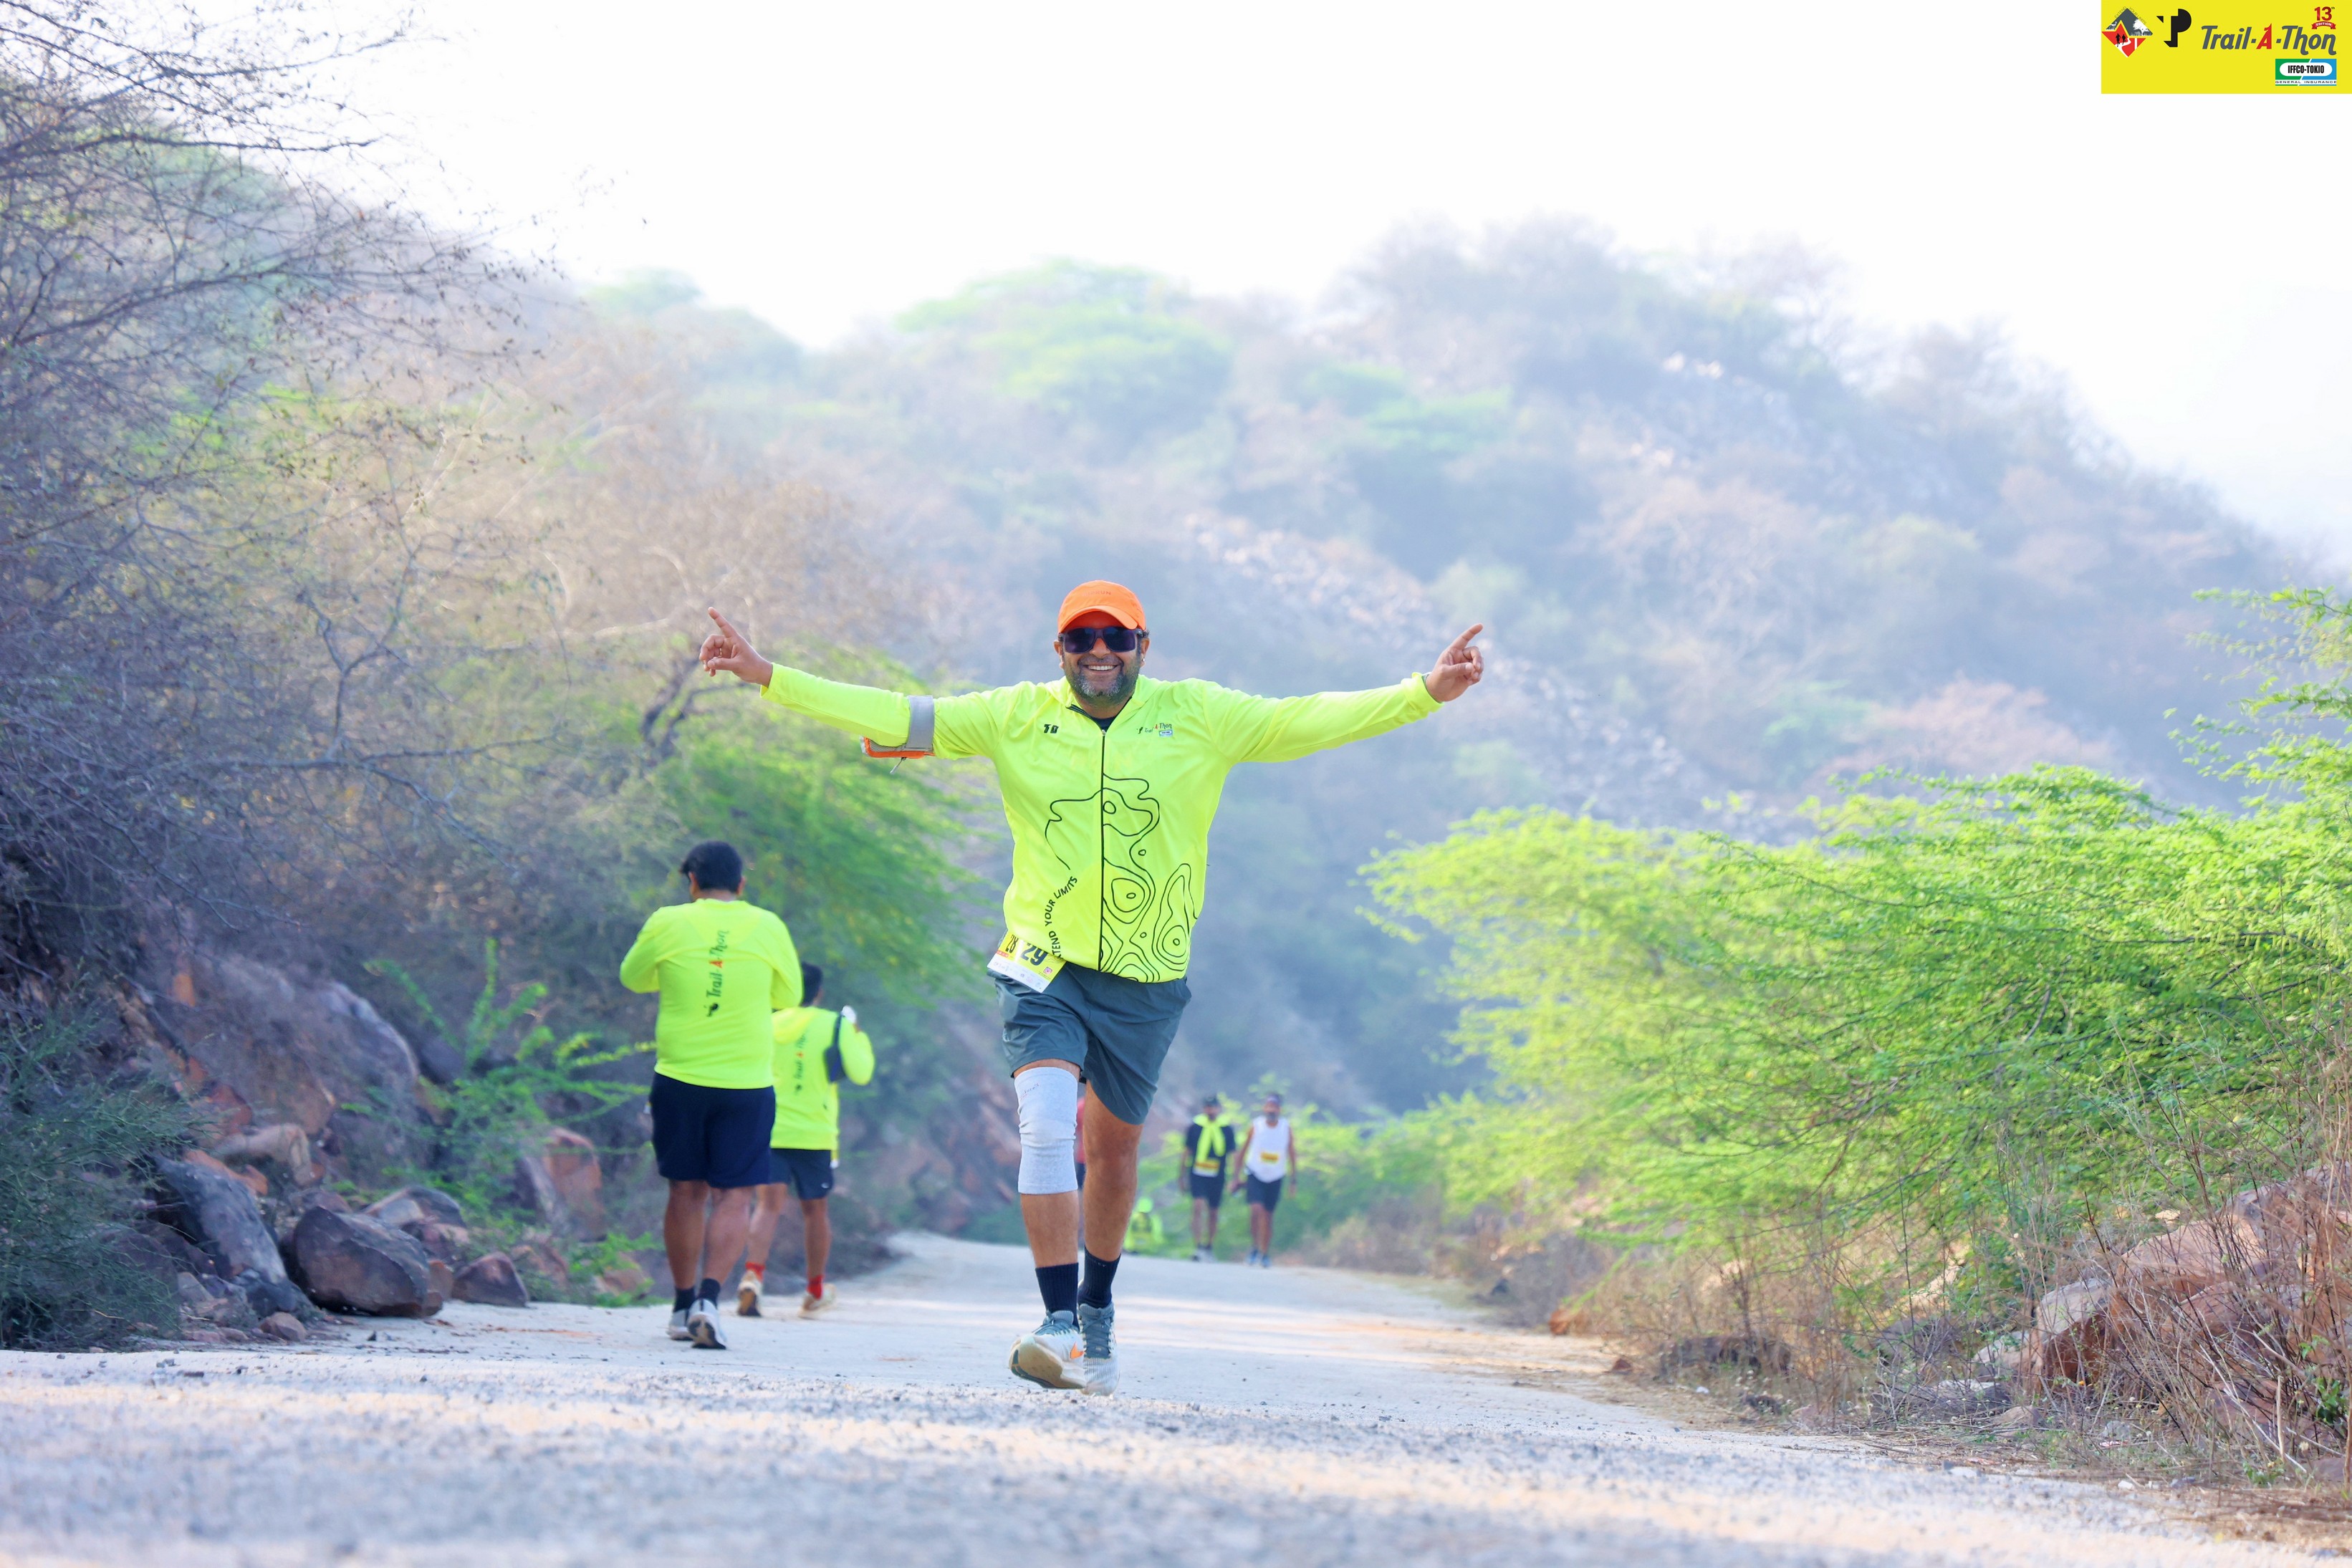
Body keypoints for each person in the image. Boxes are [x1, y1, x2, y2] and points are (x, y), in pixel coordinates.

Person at [697, 581, 1484, 1395]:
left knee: (1112, 1154)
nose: (1099, 651)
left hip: (1147, 979)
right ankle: (1056, 1323)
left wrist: (1424, 692)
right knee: (1046, 1129)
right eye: (1081, 639)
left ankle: (1095, 1303)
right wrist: (767, 675)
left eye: (1116, 637)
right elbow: (898, 715)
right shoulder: (1015, 715)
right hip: (1043, 963)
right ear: (1059, 651)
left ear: (1144, 645)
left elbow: (1311, 718)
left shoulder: (1200, 714)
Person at [618, 840, 801, 1350]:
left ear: (692, 883)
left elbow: (633, 978)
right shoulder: (768, 925)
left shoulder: (668, 921)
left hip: (679, 1078)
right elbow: (788, 995)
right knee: (734, 1195)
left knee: (685, 1191)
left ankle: (680, 1306)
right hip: (747, 1083)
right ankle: (709, 1300)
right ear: (741, 885)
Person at [737, 962, 875, 1319]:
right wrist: (857, 1034)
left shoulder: (767, 1023)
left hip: (770, 1129)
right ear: (819, 993)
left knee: (767, 1206)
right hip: (815, 1134)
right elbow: (861, 1073)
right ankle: (814, 1292)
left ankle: (753, 1276)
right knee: (815, 1212)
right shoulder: (836, 1025)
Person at [1232, 1093, 1297, 1267]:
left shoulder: (1285, 1128)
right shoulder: (1256, 1126)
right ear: (1264, 1108)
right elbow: (1243, 1151)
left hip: (1276, 1176)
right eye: (1269, 1106)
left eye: (1274, 1107)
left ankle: (1265, 1252)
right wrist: (1235, 1177)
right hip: (1255, 1173)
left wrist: (1293, 1180)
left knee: (1268, 1216)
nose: (1271, 1110)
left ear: (1279, 1109)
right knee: (1256, 1210)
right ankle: (1254, 1248)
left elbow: (1292, 1153)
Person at [1184, 1095, 1233, 1261]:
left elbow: (1232, 1153)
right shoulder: (1195, 1127)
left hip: (1217, 1174)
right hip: (1197, 1173)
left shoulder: (1226, 1129)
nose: (1210, 1110)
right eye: (1208, 1107)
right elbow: (1187, 1151)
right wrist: (1182, 1175)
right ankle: (1197, 1246)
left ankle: (1209, 1246)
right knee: (1198, 1206)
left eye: (1213, 1107)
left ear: (1218, 1109)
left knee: (1213, 1212)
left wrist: (1235, 1178)